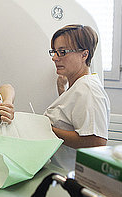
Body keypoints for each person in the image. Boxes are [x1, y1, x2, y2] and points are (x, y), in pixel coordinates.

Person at [43, 24, 110, 165]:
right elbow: (70, 117)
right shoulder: (78, 86)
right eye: (54, 52)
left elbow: (95, 141)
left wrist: (46, 129)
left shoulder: (88, 89)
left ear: (84, 55)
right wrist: (61, 89)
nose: (55, 58)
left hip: (70, 175)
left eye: (62, 52)